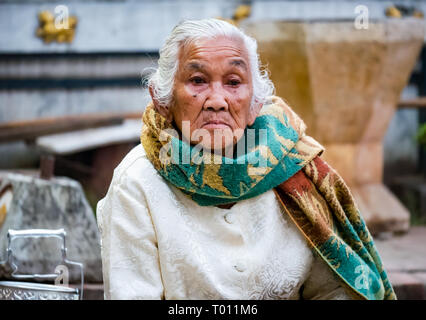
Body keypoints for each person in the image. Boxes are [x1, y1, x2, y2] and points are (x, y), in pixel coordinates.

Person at [96, 18, 396, 300]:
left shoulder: (292, 167)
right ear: (162, 101)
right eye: (198, 80)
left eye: (234, 82)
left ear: (254, 103)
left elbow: (333, 289)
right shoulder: (137, 182)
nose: (217, 101)